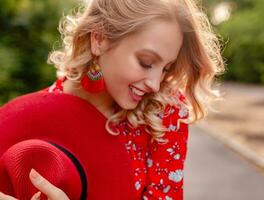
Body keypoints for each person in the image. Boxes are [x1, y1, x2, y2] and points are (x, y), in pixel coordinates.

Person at [0, 0, 224, 199]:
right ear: (99, 39)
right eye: (146, 62)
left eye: (166, 68)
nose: (155, 84)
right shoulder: (32, 117)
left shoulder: (164, 113)